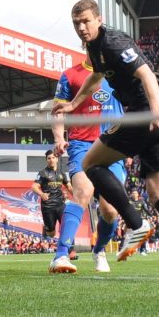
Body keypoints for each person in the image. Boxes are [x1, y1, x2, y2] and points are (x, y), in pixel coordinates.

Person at [51, 0, 159, 278]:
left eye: (86, 21)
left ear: (99, 19)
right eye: (76, 24)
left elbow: (147, 74)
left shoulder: (113, 41)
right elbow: (95, 76)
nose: (81, 28)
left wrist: (154, 113)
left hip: (145, 113)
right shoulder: (94, 51)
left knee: (91, 165)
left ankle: (136, 224)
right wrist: (72, 105)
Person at [46, 55, 125, 274]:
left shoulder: (120, 73)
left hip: (112, 146)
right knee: (83, 191)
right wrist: (59, 139)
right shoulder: (70, 75)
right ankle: (61, 254)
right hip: (82, 144)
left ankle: (98, 250)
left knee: (110, 211)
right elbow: (58, 110)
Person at [31, 150, 68, 246]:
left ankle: (70, 249)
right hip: (47, 206)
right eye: (49, 158)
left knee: (66, 225)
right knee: (51, 234)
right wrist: (42, 194)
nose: (51, 160)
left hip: (60, 204)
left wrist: (77, 197)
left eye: (53, 158)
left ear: (57, 159)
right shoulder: (42, 173)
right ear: (46, 160)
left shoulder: (62, 174)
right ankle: (47, 228)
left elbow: (69, 186)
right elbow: (34, 187)